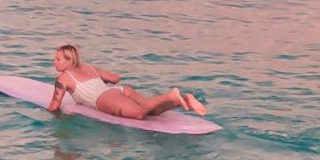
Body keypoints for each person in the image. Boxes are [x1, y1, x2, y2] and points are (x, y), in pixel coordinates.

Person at [45, 44, 206, 120]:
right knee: (153, 110)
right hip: (121, 90)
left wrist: (47, 119)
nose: (55, 62)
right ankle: (185, 100)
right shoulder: (89, 67)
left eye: (58, 59)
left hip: (102, 99)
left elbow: (54, 106)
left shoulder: (63, 78)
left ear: (68, 60)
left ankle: (171, 96)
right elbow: (115, 79)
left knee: (139, 114)